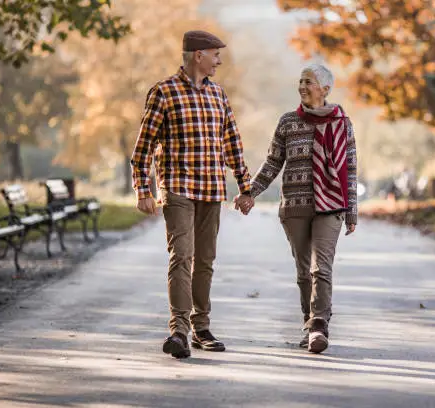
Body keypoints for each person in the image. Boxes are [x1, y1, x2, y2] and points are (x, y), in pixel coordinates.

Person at [131, 30, 255, 359]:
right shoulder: (163, 92)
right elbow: (142, 148)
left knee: (205, 261)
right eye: (215, 54)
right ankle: (179, 331)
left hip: (212, 188)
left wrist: (245, 186)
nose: (219, 60)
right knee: (181, 256)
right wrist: (143, 189)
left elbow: (232, 144)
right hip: (177, 187)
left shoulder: (218, 95)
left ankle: (201, 327)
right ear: (198, 55)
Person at [235, 63, 357, 353]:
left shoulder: (342, 123)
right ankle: (308, 321)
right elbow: (273, 162)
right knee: (304, 271)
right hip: (295, 205)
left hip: (332, 205)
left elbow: (350, 168)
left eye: (309, 81)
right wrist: (250, 192)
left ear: (325, 89)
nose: (302, 86)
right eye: (300, 81)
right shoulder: (288, 122)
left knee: (320, 268)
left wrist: (352, 210)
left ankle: (319, 325)